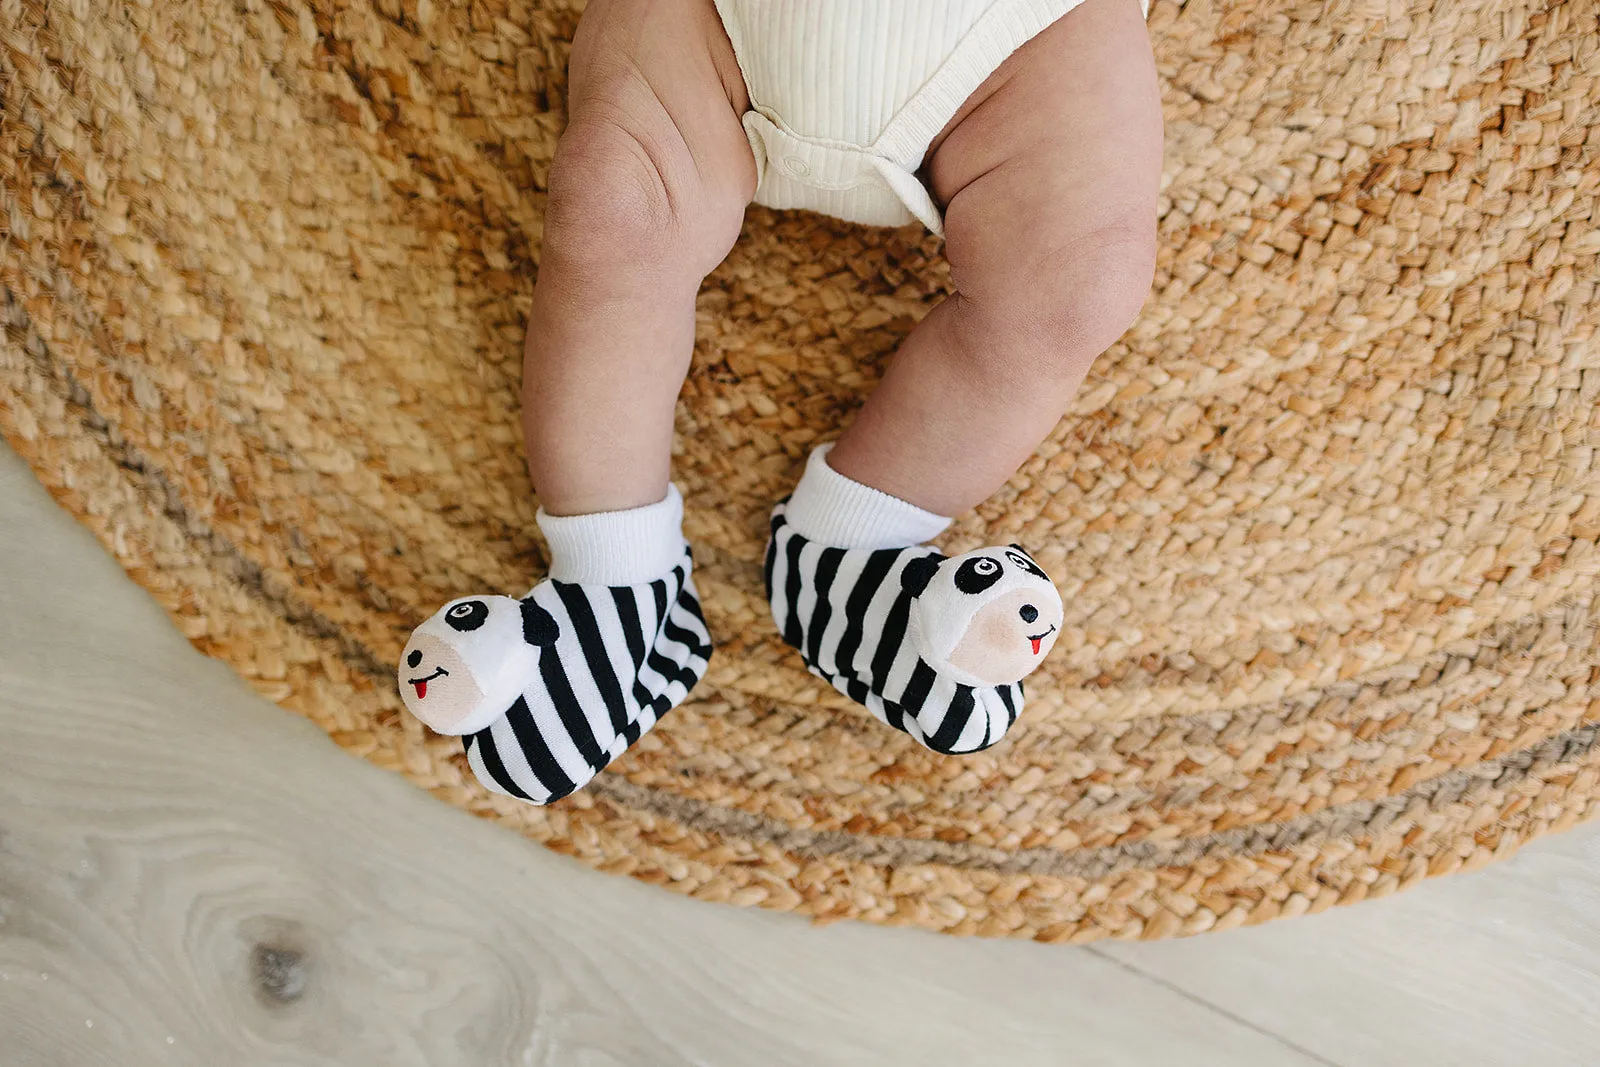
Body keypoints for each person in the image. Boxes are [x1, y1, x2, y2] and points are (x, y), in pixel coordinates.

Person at [397, 0, 1163, 805]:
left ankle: (859, 546)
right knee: (613, 206)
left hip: (1026, 35)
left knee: (1079, 283)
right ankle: (612, 577)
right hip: (721, 23)